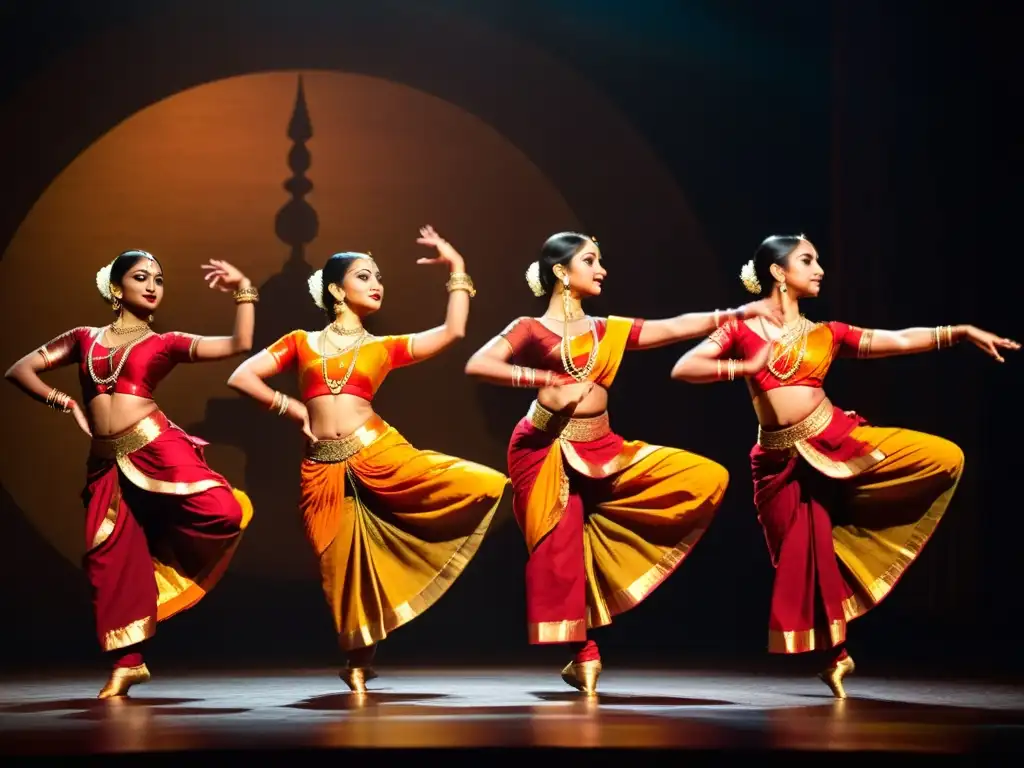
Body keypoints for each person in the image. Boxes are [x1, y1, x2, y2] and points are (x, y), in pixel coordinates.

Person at [670, 233, 1019, 698]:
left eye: (817, 261)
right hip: (778, 462)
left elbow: (894, 340)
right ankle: (836, 657)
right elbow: (685, 367)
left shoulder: (827, 333)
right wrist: (745, 367)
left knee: (943, 456)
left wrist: (958, 332)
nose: (820, 270)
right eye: (807, 261)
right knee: (799, 560)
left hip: (835, 439)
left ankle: (837, 650)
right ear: (777, 272)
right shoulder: (741, 327)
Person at [464, 231, 782, 695]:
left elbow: (670, 327)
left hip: (602, 445)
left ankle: (589, 641)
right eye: (590, 261)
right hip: (543, 447)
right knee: (561, 550)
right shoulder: (529, 328)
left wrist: (733, 314)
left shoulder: (606, 329)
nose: (601, 269)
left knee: (704, 476)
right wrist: (542, 376)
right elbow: (479, 363)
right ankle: (584, 655)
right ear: (561, 273)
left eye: (600, 261)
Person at [226, 226, 506, 694]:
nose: (378, 284)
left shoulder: (383, 346)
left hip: (378, 451)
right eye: (364, 276)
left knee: (481, 483)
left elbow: (453, 332)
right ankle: (358, 660)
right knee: (340, 567)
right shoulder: (301, 342)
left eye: (379, 277)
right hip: (322, 468)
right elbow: (242, 375)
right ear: (336, 289)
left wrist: (457, 270)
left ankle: (365, 655)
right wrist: (293, 410)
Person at [5, 250, 258, 698]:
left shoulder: (166, 342)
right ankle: (128, 664)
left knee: (222, 511)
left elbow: (238, 346)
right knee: (107, 557)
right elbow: (19, 370)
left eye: (159, 280)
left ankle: (158, 548)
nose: (152, 286)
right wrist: (64, 402)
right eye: (141, 277)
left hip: (155, 445)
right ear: (116, 288)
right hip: (105, 461)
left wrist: (243, 290)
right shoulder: (84, 338)